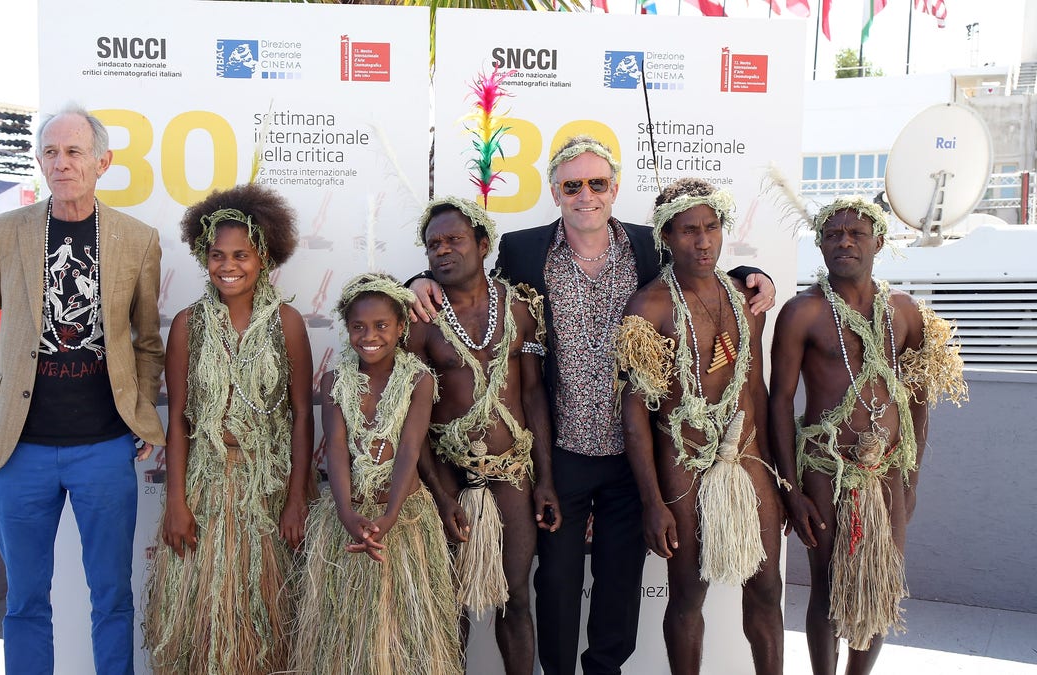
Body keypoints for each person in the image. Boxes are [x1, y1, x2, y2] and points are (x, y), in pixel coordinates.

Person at [410, 135, 775, 674]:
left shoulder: (650, 246)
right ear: (555, 192)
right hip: (561, 450)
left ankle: (604, 669)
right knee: (556, 581)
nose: (586, 195)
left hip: (638, 452)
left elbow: (702, 265)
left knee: (620, 583)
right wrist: (418, 279)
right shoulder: (522, 250)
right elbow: (464, 279)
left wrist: (752, 274)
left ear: (615, 188)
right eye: (572, 185)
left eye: (597, 183)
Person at [0, 105, 165, 675]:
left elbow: (148, 341)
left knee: (112, 598)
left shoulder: (138, 241)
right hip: (19, 449)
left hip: (103, 447)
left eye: (74, 152)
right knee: (24, 602)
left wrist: (142, 411)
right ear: (40, 161)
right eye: (50, 152)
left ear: (102, 162)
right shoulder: (4, 232)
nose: (62, 163)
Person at [768, 197, 967, 675]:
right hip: (823, 468)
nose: (845, 242)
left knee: (880, 584)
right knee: (828, 585)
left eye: (856, 234)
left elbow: (919, 398)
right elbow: (779, 401)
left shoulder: (906, 313)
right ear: (820, 244)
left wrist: (912, 479)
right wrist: (790, 490)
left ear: (879, 242)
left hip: (887, 472)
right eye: (834, 235)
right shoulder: (803, 313)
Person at [616, 178, 785, 675]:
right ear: (666, 236)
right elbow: (636, 413)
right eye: (689, 230)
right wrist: (652, 502)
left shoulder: (744, 297)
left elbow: (755, 389)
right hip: (682, 458)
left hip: (747, 452)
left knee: (768, 585)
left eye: (711, 228)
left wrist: (779, 479)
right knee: (688, 591)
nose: (703, 240)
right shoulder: (649, 307)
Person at [144, 185, 314, 674]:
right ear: (203, 256)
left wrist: (298, 497)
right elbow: (177, 419)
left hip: (269, 488)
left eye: (241, 254)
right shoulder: (187, 325)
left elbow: (303, 414)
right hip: (204, 487)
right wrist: (176, 502)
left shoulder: (287, 323)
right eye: (217, 255)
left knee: (268, 616)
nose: (228, 265)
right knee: (204, 621)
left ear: (264, 257)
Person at [408, 197, 559, 675]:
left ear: (483, 244)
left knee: (515, 598)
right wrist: (438, 490)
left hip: (512, 474)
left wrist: (546, 481)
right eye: (433, 245)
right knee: (449, 603)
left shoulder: (520, 309)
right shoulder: (420, 321)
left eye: (454, 240)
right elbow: (409, 419)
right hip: (448, 477)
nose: (443, 251)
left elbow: (535, 397)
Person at [294, 273, 461, 675]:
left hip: (404, 517)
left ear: (402, 326)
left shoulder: (419, 379)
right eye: (358, 327)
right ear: (347, 329)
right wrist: (347, 513)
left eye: (382, 326)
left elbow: (409, 448)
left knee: (404, 632)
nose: (370, 336)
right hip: (347, 516)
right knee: (348, 633)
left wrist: (389, 517)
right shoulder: (335, 380)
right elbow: (335, 446)